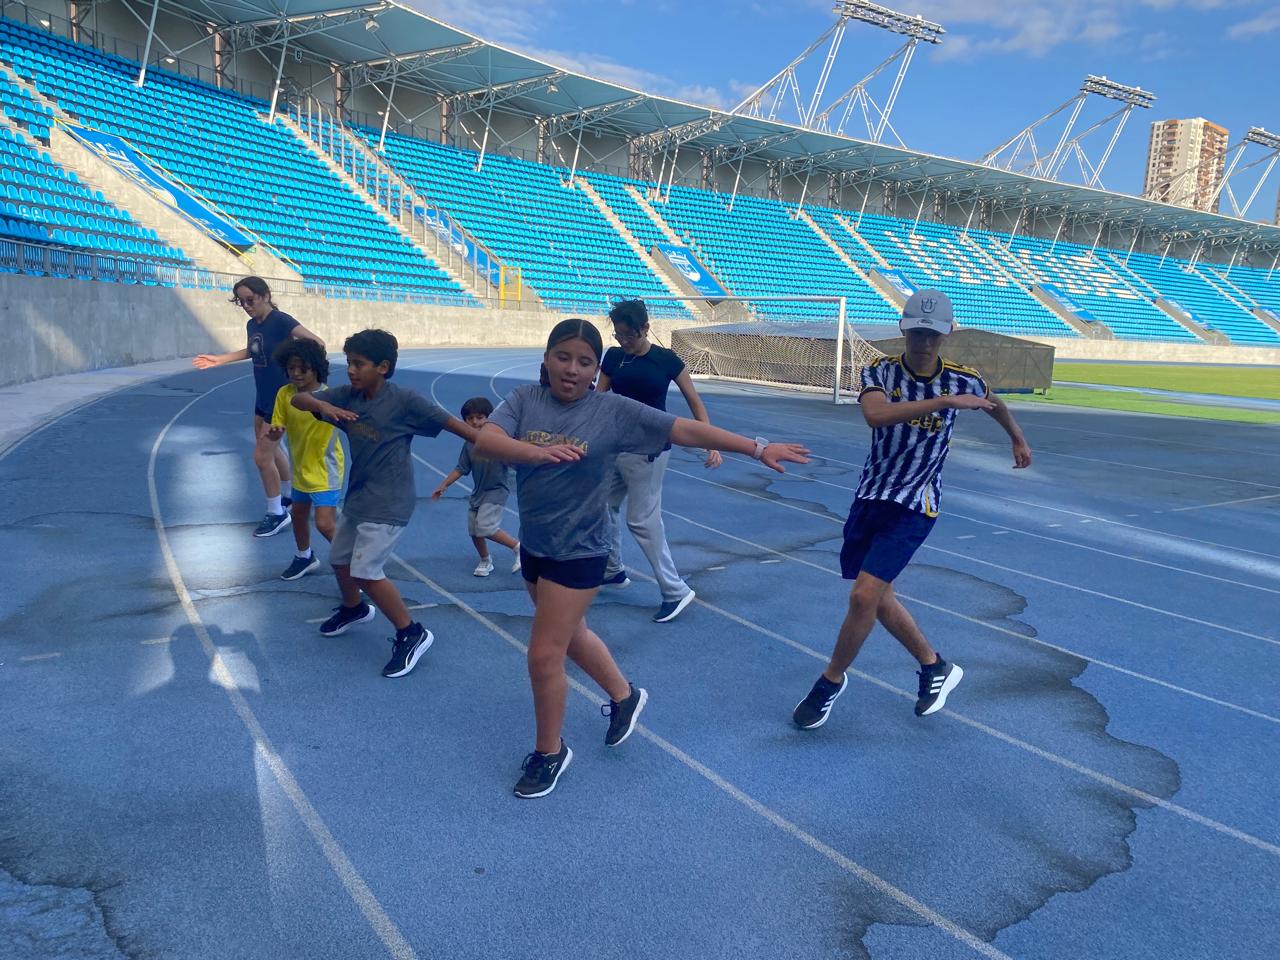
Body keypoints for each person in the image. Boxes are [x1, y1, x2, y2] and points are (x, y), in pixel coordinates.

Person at [475, 318, 809, 799]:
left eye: (584, 362)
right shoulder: (525, 400)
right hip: (537, 544)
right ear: (546, 359)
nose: (572, 369)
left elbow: (683, 429)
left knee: (544, 654)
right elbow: (486, 440)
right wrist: (534, 453)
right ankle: (624, 695)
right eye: (563, 357)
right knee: (572, 634)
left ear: (597, 370)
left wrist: (756, 447)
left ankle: (550, 752)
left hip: (582, 550)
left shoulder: (610, 410)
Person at [792, 290, 1032, 730]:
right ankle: (934, 666)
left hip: (917, 503)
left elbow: (993, 402)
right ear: (904, 329)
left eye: (933, 335)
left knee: (864, 596)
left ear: (947, 334)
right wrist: (943, 402)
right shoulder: (880, 370)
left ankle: (829, 682)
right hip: (871, 496)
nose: (924, 342)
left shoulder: (963, 379)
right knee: (878, 598)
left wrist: (1017, 437)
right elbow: (875, 415)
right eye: (918, 333)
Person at [291, 329, 476, 679]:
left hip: (390, 501)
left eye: (359, 364)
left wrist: (505, 450)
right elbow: (298, 400)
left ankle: (412, 632)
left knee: (365, 571)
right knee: (339, 560)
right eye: (349, 363)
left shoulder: (405, 401)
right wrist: (321, 404)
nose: (351, 370)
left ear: (383, 367)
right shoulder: (347, 396)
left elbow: (455, 426)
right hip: (359, 497)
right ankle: (354, 608)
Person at [596, 299, 722, 623]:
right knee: (601, 504)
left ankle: (675, 590)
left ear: (646, 328)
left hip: (649, 450)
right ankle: (612, 569)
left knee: (642, 520)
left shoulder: (666, 360)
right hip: (616, 446)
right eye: (619, 334)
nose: (624, 340)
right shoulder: (613, 357)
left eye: (630, 335)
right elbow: (598, 398)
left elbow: (694, 401)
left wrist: (711, 442)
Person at [192, 277, 325, 537]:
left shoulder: (282, 321)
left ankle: (277, 513)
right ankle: (288, 496)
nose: (246, 306)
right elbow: (252, 351)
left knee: (262, 457)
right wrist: (220, 359)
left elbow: (317, 343)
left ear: (265, 295)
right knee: (272, 453)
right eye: (241, 301)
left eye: (250, 300)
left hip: (280, 400)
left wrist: (299, 374)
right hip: (262, 397)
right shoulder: (252, 324)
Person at [266, 338, 344, 581]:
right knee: (299, 515)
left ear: (316, 368)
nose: (296, 373)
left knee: (325, 524)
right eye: (291, 368)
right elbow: (278, 424)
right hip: (300, 469)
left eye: (303, 368)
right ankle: (304, 556)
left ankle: (356, 567)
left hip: (325, 470)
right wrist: (275, 433)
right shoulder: (284, 394)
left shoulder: (329, 397)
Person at [432, 397, 521, 577]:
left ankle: (518, 547)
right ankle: (485, 560)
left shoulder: (499, 440)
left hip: (496, 490)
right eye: (470, 418)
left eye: (480, 417)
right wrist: (444, 484)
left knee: (486, 527)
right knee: (474, 530)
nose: (474, 422)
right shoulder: (469, 445)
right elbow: (461, 468)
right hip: (478, 492)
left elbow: (515, 455)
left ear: (490, 418)